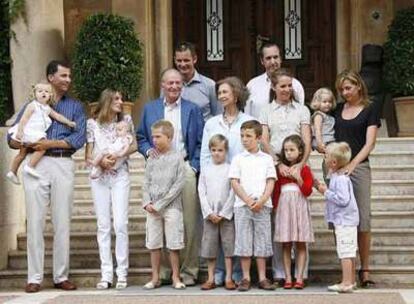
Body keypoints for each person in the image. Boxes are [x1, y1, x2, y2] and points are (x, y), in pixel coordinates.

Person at [21, 60, 86, 293]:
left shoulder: (76, 107)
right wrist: (24, 142)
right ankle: (34, 277)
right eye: (64, 76)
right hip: (34, 164)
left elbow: (78, 138)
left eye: (70, 76)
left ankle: (61, 275)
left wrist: (49, 143)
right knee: (35, 221)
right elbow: (13, 135)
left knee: (62, 221)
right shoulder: (32, 104)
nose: (68, 80)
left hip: (62, 162)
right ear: (50, 78)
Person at [136, 68, 204, 286]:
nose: (174, 86)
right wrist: (148, 152)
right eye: (170, 83)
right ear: (162, 85)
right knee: (159, 219)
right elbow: (140, 136)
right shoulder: (150, 108)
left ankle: (188, 271)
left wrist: (193, 166)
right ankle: (164, 272)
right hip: (158, 168)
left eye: (178, 83)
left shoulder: (192, 109)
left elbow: (201, 141)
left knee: (188, 221)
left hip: (184, 166)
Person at [259, 68, 311, 284]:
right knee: (279, 220)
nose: (287, 89)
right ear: (273, 87)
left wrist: (300, 165)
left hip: (297, 166)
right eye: (282, 86)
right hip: (275, 166)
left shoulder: (302, 110)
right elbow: (264, 139)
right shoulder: (266, 110)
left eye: (290, 85)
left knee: (299, 221)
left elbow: (307, 140)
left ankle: (301, 274)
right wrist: (277, 163)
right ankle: (282, 273)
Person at [200, 76, 253, 285]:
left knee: (236, 231)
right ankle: (219, 273)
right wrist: (206, 176)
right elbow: (206, 153)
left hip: (241, 184)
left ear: (236, 94)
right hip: (216, 182)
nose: (221, 96)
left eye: (225, 92)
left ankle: (238, 273)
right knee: (215, 232)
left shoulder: (248, 121)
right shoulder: (212, 123)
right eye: (219, 92)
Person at [85, 89, 137, 289]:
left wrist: (117, 156)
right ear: (106, 100)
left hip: (120, 176)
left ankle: (122, 272)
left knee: (121, 224)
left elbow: (133, 146)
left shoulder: (126, 122)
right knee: (103, 225)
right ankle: (106, 274)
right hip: (99, 178)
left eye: (121, 98)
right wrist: (101, 162)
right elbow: (88, 155)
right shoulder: (92, 124)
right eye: (116, 98)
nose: (121, 101)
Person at [334, 70, 381, 288]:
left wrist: (352, 164)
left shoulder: (370, 108)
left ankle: (365, 269)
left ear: (358, 86)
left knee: (362, 219)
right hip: (337, 170)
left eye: (348, 88)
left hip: (360, 168)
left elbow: (370, 143)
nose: (344, 93)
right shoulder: (337, 110)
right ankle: (347, 270)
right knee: (340, 220)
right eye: (342, 89)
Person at [229, 120, 276, 292]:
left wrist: (262, 200)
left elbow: (270, 181)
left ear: (258, 137)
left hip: (262, 205)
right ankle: (246, 277)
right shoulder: (238, 159)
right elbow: (234, 181)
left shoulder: (267, 159)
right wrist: (248, 201)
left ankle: (263, 277)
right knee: (244, 240)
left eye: (248, 136)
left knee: (262, 240)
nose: (244, 139)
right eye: (242, 136)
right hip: (243, 205)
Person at [142, 120, 186, 290]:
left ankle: (176, 276)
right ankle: (155, 277)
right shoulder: (151, 158)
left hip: (171, 207)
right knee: (153, 243)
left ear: (169, 137)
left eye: (158, 136)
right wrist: (147, 202)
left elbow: (178, 184)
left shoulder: (177, 158)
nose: (154, 140)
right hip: (152, 208)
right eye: (153, 137)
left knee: (174, 243)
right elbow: (145, 182)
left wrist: (160, 204)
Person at [6, 82, 76, 184]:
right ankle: (29, 167)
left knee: (22, 153)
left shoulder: (47, 108)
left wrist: (69, 122)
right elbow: (23, 119)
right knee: (43, 147)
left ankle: (12, 172)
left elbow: (58, 116)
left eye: (46, 91)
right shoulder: (32, 105)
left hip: (32, 134)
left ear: (50, 95)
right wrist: (20, 131)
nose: (43, 93)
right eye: (40, 91)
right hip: (28, 132)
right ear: (35, 94)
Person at [316, 142, 359, 293]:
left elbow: (343, 199)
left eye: (326, 156)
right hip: (347, 220)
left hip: (344, 221)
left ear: (333, 162)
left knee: (345, 252)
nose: (324, 158)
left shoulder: (340, 179)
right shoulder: (336, 175)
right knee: (350, 251)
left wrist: (325, 192)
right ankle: (351, 280)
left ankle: (346, 282)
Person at [273, 135, 314, 289]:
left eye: (292, 150)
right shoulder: (281, 170)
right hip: (284, 208)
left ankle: (299, 277)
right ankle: (287, 277)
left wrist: (299, 179)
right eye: (286, 150)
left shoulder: (305, 169)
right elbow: (276, 191)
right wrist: (276, 207)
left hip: (299, 207)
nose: (288, 153)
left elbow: (308, 191)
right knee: (286, 243)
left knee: (301, 243)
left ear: (300, 151)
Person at [198, 135, 236, 291]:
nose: (216, 153)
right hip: (210, 215)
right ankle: (211, 277)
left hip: (226, 215)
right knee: (210, 248)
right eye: (213, 150)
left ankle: (228, 277)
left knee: (228, 247)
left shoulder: (230, 169)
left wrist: (225, 212)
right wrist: (208, 212)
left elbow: (234, 191)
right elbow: (201, 191)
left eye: (220, 150)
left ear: (226, 151)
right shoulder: (206, 170)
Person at [245, 41, 304, 119]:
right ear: (262, 61)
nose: (273, 62)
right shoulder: (252, 85)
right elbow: (247, 115)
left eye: (275, 57)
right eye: (268, 58)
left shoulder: (295, 84)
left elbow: (300, 114)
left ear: (280, 59)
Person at [174, 41, 222, 121]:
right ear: (175, 60)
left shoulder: (209, 85)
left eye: (186, 60)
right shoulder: (169, 86)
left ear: (195, 59)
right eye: (179, 60)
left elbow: (218, 115)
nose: (182, 64)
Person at [310, 88, 336, 154]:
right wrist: (320, 143)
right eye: (324, 102)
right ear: (317, 102)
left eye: (330, 102)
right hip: (323, 143)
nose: (327, 104)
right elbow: (317, 130)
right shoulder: (319, 115)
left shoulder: (329, 116)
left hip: (330, 142)